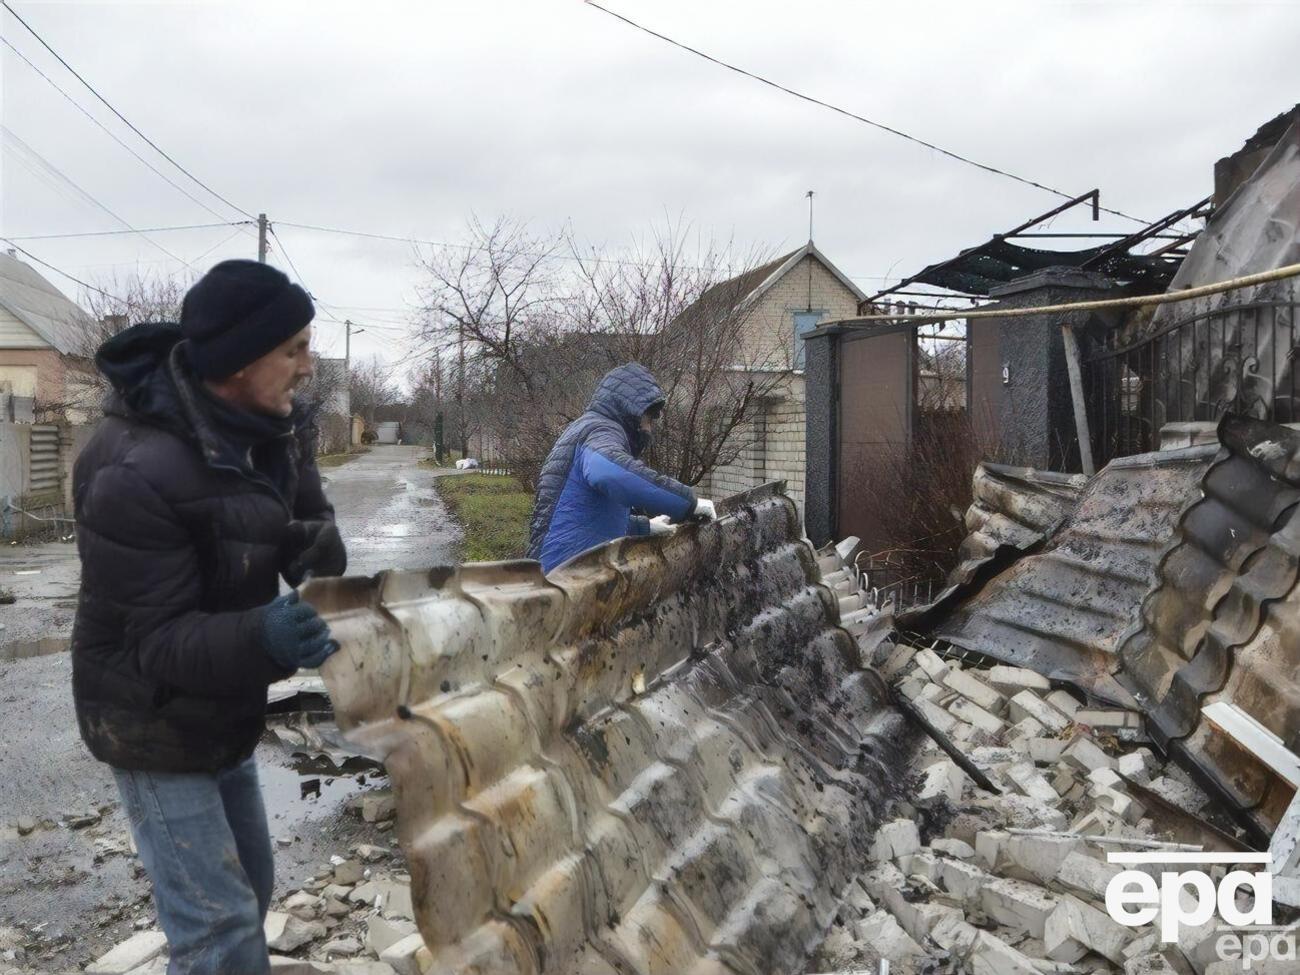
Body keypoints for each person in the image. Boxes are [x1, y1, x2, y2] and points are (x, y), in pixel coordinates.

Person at [71, 260, 348, 975]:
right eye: (293, 350)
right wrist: (267, 633)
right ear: (238, 362)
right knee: (218, 930)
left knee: (248, 896)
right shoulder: (130, 470)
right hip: (149, 717)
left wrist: (314, 551)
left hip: (222, 705)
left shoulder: (267, 425)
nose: (307, 367)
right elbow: (159, 641)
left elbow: (294, 509)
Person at [527, 362, 716, 573]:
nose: (649, 429)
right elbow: (609, 473)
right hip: (562, 576)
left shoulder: (587, 428)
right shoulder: (601, 430)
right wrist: (687, 503)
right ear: (633, 411)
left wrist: (643, 527)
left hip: (565, 568)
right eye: (649, 419)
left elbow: (585, 514)